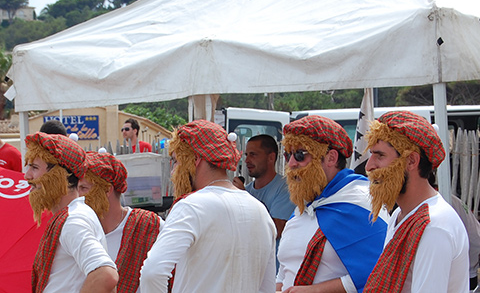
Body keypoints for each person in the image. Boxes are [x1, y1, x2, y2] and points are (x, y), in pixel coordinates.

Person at [140, 120, 276, 293]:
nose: (174, 172)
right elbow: (267, 287)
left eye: (176, 161)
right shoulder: (260, 210)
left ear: (195, 160)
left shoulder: (191, 206)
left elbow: (153, 272)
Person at [276, 115, 388, 293]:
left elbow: (378, 274)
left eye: (299, 155)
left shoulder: (363, 203)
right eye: (287, 155)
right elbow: (286, 269)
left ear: (331, 158)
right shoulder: (305, 208)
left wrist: (315, 290)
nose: (291, 164)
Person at [363, 111, 469, 292]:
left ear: (411, 161)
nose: (369, 166)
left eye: (379, 156)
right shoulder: (399, 214)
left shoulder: (434, 226)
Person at [24, 132, 118, 292]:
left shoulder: (73, 220)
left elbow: (106, 274)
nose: (27, 176)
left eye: (34, 167)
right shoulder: (74, 214)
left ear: (58, 175)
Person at [78, 151, 164, 293]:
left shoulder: (148, 225)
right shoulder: (79, 230)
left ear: (107, 190)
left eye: (84, 188)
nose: (78, 195)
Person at [232, 134, 295, 270]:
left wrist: (244, 198)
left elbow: (275, 229)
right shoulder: (246, 191)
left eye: (253, 154)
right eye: (246, 155)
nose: (247, 160)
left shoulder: (286, 188)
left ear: (271, 157)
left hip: (275, 274)